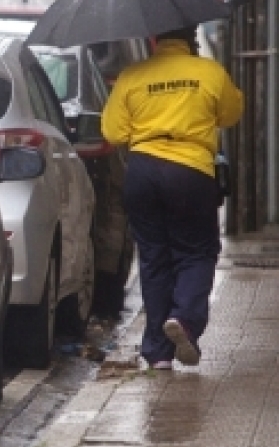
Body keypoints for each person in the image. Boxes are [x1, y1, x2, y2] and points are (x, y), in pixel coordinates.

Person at [101, 25, 244, 369]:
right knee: (197, 252)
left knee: (153, 259)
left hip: (143, 170)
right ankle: (185, 319)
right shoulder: (209, 72)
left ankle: (158, 352)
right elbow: (231, 114)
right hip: (191, 170)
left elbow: (113, 132)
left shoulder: (132, 76)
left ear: (153, 39)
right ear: (191, 36)